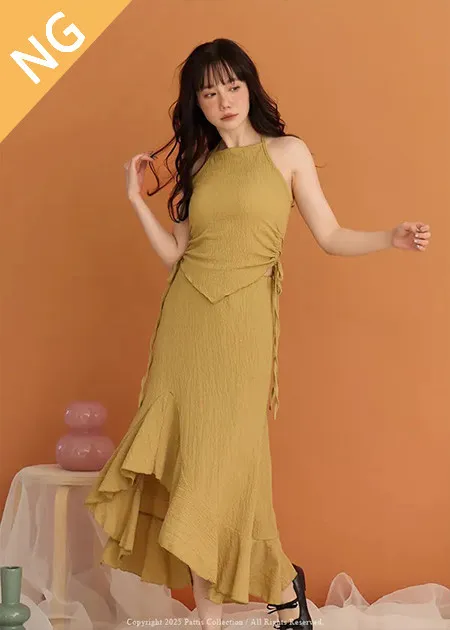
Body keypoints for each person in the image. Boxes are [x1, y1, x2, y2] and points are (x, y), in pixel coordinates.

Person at [84, 38, 431, 629]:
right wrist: (135, 200)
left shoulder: (287, 152)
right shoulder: (199, 165)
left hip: (243, 326)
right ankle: (212, 619)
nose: (224, 100)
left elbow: (330, 235)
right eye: (210, 92)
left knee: (224, 464)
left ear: (250, 88)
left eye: (233, 86)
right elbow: (175, 256)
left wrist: (388, 238)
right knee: (191, 463)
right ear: (197, 102)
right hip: (186, 326)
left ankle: (278, 583)